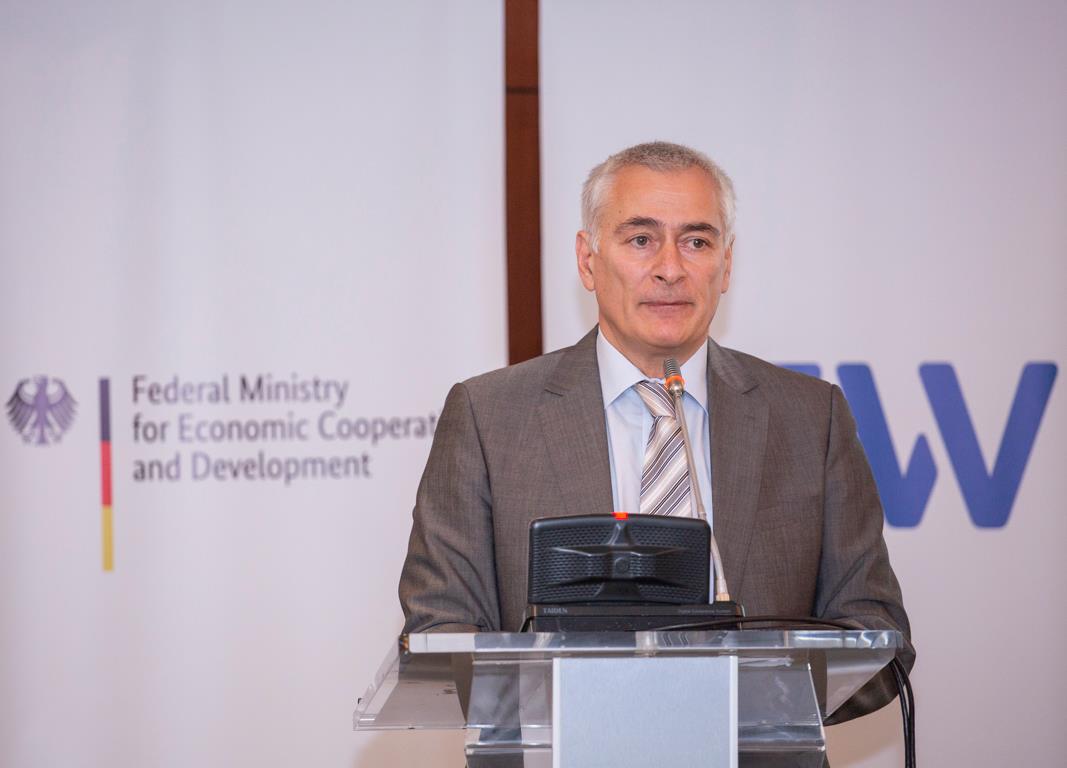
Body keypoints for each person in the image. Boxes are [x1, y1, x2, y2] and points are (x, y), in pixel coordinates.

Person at [399, 141, 914, 723]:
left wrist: (742, 707)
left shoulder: (811, 418)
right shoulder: (489, 416)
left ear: (726, 265)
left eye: (697, 242)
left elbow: (876, 635)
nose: (671, 268)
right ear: (588, 260)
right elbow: (440, 628)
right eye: (641, 239)